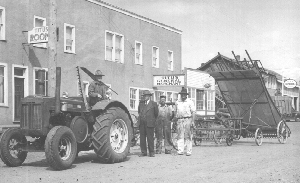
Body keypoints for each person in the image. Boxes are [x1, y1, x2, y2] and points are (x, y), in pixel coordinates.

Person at [174, 87, 196, 156]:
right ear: (180, 95)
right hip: (179, 120)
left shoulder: (190, 102)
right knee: (180, 135)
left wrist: (192, 121)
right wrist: (175, 119)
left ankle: (188, 151)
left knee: (188, 135)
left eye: (184, 94)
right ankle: (180, 150)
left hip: (187, 119)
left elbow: (193, 112)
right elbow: (175, 111)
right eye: (182, 94)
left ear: (186, 95)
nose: (183, 96)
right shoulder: (177, 102)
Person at [138, 90, 159, 157]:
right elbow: (139, 112)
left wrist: (152, 120)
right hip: (142, 123)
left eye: (146, 96)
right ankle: (143, 152)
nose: (145, 97)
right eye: (144, 96)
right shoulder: (141, 104)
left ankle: (151, 152)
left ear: (149, 96)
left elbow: (156, 114)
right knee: (142, 138)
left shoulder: (153, 104)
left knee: (150, 138)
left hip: (150, 123)